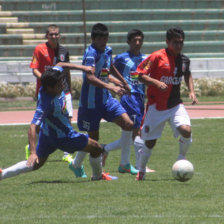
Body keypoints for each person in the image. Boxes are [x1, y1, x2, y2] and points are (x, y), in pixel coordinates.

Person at [0, 66, 117, 181]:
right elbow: (32, 126)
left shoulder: (52, 77)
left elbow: (60, 65)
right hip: (64, 137)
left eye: (62, 81)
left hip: (47, 135)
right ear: (49, 88)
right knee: (97, 148)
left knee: (36, 164)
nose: (63, 85)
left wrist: (83, 68)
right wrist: (32, 152)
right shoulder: (46, 103)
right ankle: (97, 176)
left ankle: (2, 174)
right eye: (59, 84)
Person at [68, 23, 134, 178]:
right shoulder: (90, 54)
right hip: (91, 103)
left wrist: (122, 82)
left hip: (106, 100)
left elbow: (108, 68)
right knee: (93, 140)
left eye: (105, 38)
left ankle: (124, 164)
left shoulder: (107, 50)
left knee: (128, 124)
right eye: (100, 39)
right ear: (93, 39)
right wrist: (111, 86)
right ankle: (81, 167)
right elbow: (90, 78)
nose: (104, 42)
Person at [135, 27, 198, 180]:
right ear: (167, 41)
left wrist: (192, 91)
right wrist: (155, 82)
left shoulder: (184, 60)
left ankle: (181, 158)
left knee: (186, 130)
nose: (178, 46)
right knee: (150, 142)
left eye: (181, 42)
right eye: (175, 42)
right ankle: (141, 170)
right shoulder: (157, 57)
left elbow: (187, 74)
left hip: (175, 104)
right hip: (156, 106)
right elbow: (138, 74)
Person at [101, 29, 154, 173]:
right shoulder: (121, 58)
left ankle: (105, 149)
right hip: (129, 97)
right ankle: (139, 165)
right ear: (128, 42)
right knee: (136, 133)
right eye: (134, 40)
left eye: (140, 40)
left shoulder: (145, 59)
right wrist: (118, 85)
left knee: (133, 134)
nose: (137, 43)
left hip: (140, 97)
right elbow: (106, 72)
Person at [27, 24, 73, 162]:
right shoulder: (39, 49)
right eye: (51, 34)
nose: (54, 36)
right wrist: (46, 81)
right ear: (47, 36)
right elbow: (34, 69)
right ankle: (31, 147)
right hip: (46, 92)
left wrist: (69, 88)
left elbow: (66, 71)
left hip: (63, 90)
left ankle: (67, 152)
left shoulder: (64, 51)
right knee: (41, 123)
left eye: (56, 34)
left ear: (60, 36)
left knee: (67, 117)